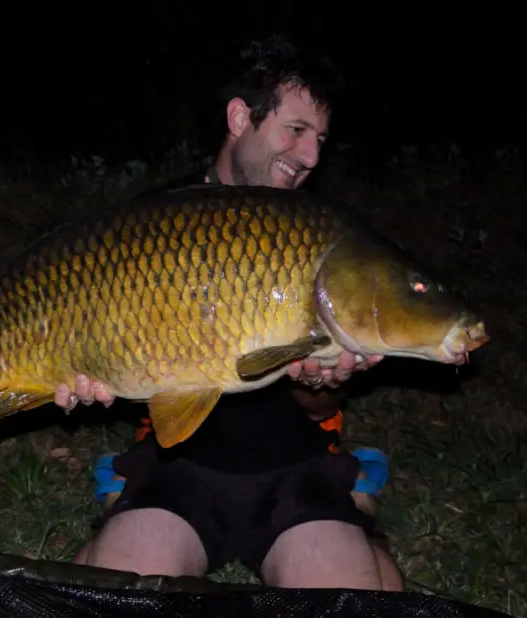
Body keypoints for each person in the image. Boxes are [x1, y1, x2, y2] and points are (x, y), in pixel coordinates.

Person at [59, 34, 402, 590]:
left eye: (320, 139)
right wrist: (81, 367)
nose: (312, 157)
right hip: (178, 463)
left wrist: (324, 382)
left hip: (296, 467)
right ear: (240, 117)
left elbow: (320, 408)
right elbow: (92, 342)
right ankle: (119, 508)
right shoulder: (150, 221)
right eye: (295, 130)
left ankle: (356, 511)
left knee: (351, 597)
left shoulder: (326, 240)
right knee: (120, 595)